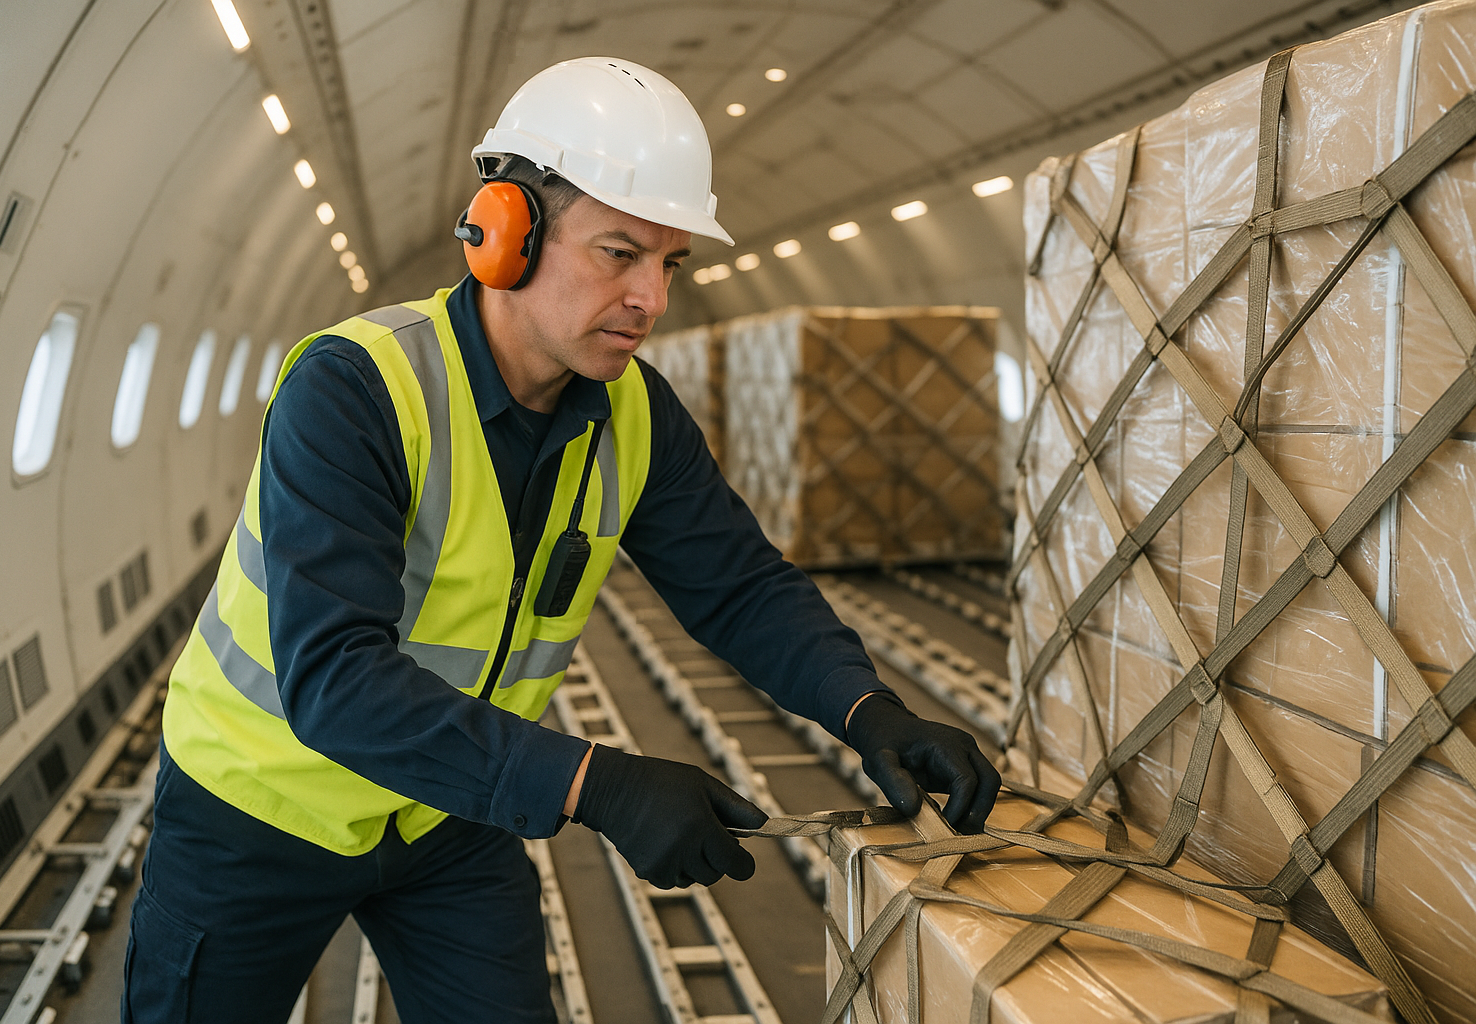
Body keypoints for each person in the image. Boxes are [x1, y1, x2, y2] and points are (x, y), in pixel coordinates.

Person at [122, 56, 1000, 1024]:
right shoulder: (356, 389)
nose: (651, 300)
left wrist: (870, 709)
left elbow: (739, 585)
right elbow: (335, 680)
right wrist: (596, 783)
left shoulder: (636, 414)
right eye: (619, 253)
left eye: (669, 263)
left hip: (446, 812)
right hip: (259, 807)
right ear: (507, 233)